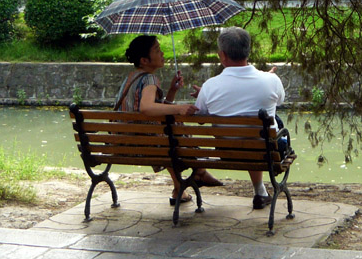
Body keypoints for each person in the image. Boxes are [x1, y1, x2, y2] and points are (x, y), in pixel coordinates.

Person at [113, 35, 222, 205]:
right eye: (157, 50)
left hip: (123, 141)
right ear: (144, 60)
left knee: (170, 131)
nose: (162, 53)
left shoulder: (132, 77)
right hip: (141, 144)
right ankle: (196, 173)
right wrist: (179, 108)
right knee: (173, 132)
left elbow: (151, 111)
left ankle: (185, 183)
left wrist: (171, 92)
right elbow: (146, 108)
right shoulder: (150, 79)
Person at [192, 26, 286, 209]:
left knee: (250, 132)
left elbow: (200, 117)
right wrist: (266, 79)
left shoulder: (210, 86)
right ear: (248, 51)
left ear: (222, 55)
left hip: (226, 151)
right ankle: (259, 191)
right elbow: (280, 101)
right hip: (266, 153)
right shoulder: (271, 80)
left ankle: (260, 191)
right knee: (269, 125)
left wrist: (205, 96)